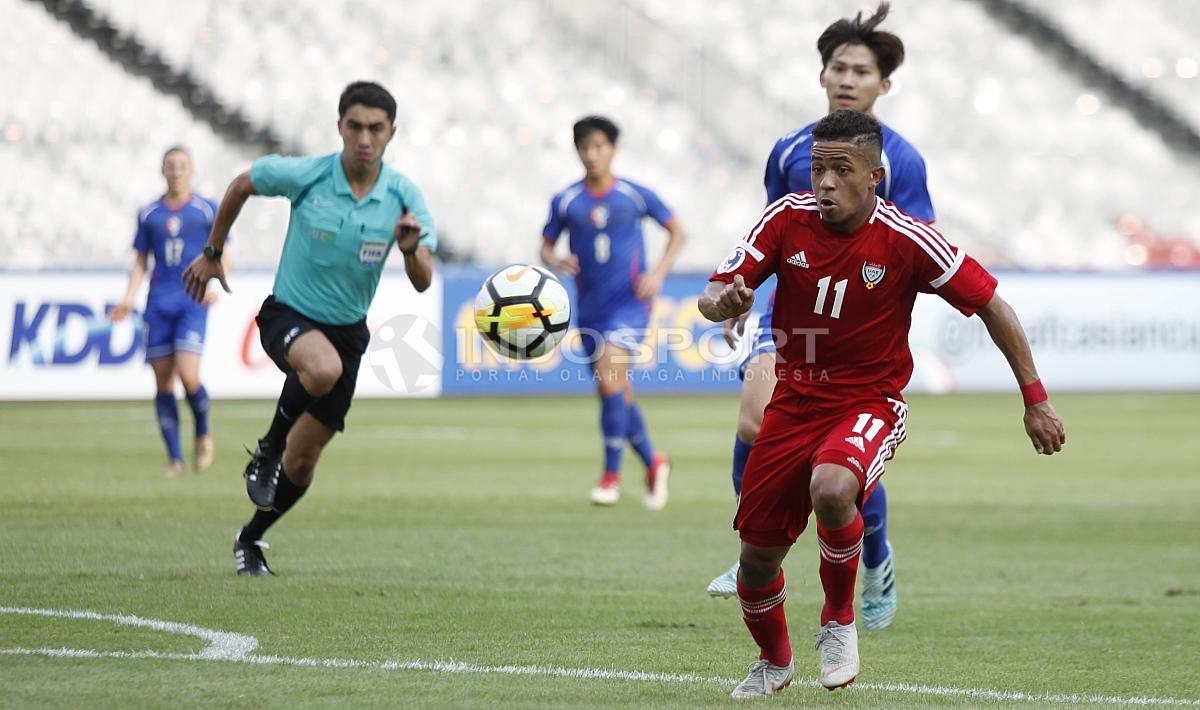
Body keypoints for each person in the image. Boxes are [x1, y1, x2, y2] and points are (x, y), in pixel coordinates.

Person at [697, 109, 1065, 696]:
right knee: (756, 562)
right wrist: (725, 300)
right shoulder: (786, 219)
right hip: (793, 403)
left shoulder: (907, 239)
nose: (824, 184)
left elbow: (994, 305)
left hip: (869, 402)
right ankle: (775, 661)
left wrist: (1035, 398)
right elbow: (715, 293)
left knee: (834, 487)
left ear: (875, 176)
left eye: (841, 170)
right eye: (818, 169)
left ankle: (839, 619)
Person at [707, 4, 930, 637]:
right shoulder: (790, 149)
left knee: (838, 461)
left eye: (862, 71)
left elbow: (919, 247)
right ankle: (759, 542)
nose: (848, 79)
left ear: (883, 84)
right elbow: (774, 232)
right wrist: (737, 291)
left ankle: (876, 555)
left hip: (860, 324)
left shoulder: (901, 162)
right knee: (756, 420)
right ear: (823, 74)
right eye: (838, 67)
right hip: (789, 311)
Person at [181, 81, 436, 576]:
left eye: (375, 128)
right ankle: (268, 446)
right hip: (288, 316)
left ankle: (250, 539)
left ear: (391, 133)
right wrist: (213, 252)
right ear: (340, 126)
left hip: (347, 333)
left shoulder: (404, 195)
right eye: (355, 126)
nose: (365, 137)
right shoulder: (309, 174)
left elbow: (423, 280)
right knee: (320, 369)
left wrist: (409, 250)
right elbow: (241, 184)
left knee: (302, 464)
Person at [540, 115, 686, 510]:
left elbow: (677, 231)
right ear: (577, 151)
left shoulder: (634, 195)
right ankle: (654, 462)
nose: (592, 154)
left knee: (609, 381)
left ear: (613, 150)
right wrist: (554, 260)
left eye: (599, 146)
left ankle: (611, 476)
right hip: (590, 308)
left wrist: (657, 273)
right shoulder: (567, 200)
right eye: (585, 147)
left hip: (630, 305)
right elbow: (545, 245)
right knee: (616, 390)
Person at [110, 146, 221, 478]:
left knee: (188, 375)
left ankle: (203, 430)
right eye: (170, 166)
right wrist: (129, 297)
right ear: (162, 170)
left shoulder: (206, 210)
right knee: (163, 381)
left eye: (182, 165)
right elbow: (141, 260)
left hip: (192, 300)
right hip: (158, 302)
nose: (176, 171)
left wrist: (215, 282)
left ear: (192, 170)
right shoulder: (149, 214)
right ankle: (175, 459)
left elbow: (222, 252)